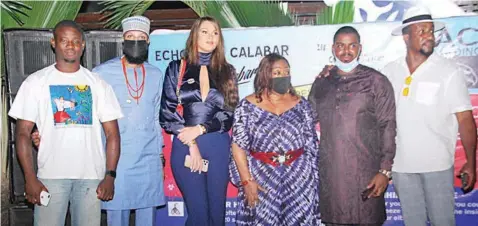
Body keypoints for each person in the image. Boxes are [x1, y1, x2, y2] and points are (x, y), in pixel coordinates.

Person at [31, 16, 166, 226]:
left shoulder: (157, 75)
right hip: (115, 160)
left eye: (141, 38)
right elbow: (77, 111)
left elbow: (158, 117)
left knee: (147, 218)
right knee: (115, 216)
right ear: (123, 40)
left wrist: (159, 154)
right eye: (131, 37)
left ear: (148, 42)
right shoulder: (101, 74)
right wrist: (45, 132)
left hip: (147, 160)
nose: (136, 41)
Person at [8, 20, 123, 226]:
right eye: (64, 41)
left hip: (91, 177)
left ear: (83, 45)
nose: (71, 46)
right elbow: (22, 133)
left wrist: (110, 176)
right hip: (50, 176)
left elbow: (113, 134)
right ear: (53, 43)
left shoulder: (98, 84)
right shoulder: (36, 82)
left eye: (76, 41)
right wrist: (30, 178)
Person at [382, 7, 477, 226]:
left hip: (437, 165)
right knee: (413, 223)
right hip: (401, 167)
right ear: (406, 37)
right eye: (422, 31)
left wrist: (471, 163)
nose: (429, 36)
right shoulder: (389, 71)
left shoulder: (448, 71)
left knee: (442, 221)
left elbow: (465, 120)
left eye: (431, 31)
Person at [308, 26, 396, 226]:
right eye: (340, 45)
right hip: (333, 175)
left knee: (367, 219)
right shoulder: (322, 83)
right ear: (333, 48)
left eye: (351, 46)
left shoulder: (376, 82)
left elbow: (388, 126)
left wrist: (384, 171)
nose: (345, 51)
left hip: (366, 173)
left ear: (360, 48)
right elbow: (307, 121)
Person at [159, 16, 239, 226]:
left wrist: (201, 129)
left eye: (215, 32)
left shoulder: (227, 71)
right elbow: (166, 114)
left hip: (217, 146)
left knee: (217, 214)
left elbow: (229, 114)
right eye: (205, 31)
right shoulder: (177, 68)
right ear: (194, 34)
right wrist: (192, 141)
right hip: (186, 145)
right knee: (199, 217)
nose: (211, 36)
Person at [230, 53, 320, 225]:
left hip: (299, 178)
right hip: (261, 177)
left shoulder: (302, 105)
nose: (283, 76)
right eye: (277, 72)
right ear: (265, 74)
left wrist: (313, 180)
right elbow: (238, 146)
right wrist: (247, 181)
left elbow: (311, 147)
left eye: (286, 72)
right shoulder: (247, 106)